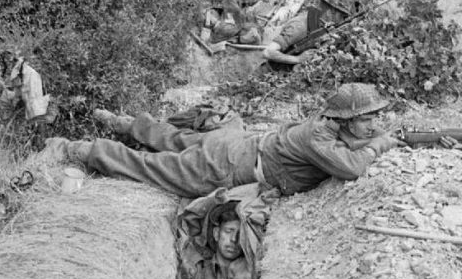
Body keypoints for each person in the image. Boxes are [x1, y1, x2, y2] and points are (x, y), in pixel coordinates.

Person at [47, 83, 399, 198]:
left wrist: (379, 137)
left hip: (234, 141)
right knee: (150, 167)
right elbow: (352, 166)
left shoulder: (324, 124)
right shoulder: (319, 135)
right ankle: (73, 149)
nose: (373, 125)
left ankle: (123, 123)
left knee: (173, 136)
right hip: (228, 166)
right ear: (346, 119)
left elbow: (348, 146)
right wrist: (381, 144)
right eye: (367, 118)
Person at [262, 0, 350, 66]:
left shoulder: (320, 24)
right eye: (341, 16)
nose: (342, 20)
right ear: (330, 12)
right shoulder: (299, 26)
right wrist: (298, 59)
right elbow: (268, 52)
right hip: (270, 69)